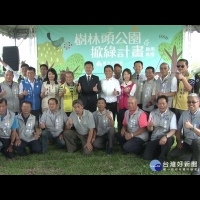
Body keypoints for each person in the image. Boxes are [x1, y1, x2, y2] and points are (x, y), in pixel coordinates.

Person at [170, 93, 200, 175]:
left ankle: (197, 167)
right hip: (187, 142)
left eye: (193, 102)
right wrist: (179, 141)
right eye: (189, 102)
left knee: (196, 141)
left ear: (199, 102)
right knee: (173, 154)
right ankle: (193, 157)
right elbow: (178, 129)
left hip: (198, 143)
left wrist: (191, 127)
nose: (190, 104)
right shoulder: (184, 114)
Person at [143, 95, 177, 164]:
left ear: (167, 104)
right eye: (159, 104)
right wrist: (150, 126)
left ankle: (162, 158)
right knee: (147, 157)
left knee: (169, 140)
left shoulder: (172, 115)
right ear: (157, 104)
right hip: (155, 138)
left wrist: (165, 136)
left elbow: (173, 130)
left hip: (165, 137)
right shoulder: (153, 113)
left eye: (163, 103)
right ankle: (159, 151)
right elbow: (150, 130)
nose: (161, 105)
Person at [117, 68, 136, 132]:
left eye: (128, 74)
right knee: (120, 122)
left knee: (128, 123)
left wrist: (128, 92)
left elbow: (132, 96)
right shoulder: (120, 85)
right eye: (124, 74)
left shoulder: (133, 85)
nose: (126, 76)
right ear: (122, 76)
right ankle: (120, 138)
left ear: (130, 75)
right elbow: (118, 96)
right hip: (121, 107)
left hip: (129, 108)